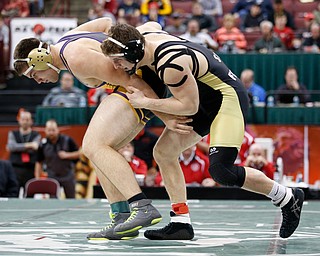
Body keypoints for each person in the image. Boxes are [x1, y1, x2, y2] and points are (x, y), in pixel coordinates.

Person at [101, 21, 304, 240]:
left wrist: (145, 102)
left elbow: (189, 106)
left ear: (133, 52)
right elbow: (152, 22)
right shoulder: (144, 34)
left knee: (222, 171)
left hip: (226, 98)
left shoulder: (171, 64)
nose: (116, 67)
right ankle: (181, 222)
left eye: (118, 62)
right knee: (164, 152)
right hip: (202, 96)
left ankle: (287, 197)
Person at [13, 17, 178, 240]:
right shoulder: (66, 42)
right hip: (136, 82)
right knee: (100, 151)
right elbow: (105, 22)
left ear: (40, 59)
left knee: (93, 145)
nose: (38, 81)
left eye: (34, 74)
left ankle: (141, 207)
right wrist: (114, 48)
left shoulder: (76, 57)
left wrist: (166, 115)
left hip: (142, 84)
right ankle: (121, 217)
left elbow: (134, 84)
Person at [34, 119, 80, 198]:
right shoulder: (42, 144)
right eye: (49, 130)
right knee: (53, 201)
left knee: (71, 199)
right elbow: (38, 162)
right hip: (52, 176)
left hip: (68, 175)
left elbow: (79, 153)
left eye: (53, 130)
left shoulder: (68, 140)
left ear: (57, 130)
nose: (51, 132)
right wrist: (38, 179)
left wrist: (67, 155)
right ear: (45, 130)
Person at [6, 110, 41, 189]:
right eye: (23, 119)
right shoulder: (12, 133)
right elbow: (11, 147)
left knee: (30, 195)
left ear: (31, 121)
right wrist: (29, 145)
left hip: (30, 169)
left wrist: (18, 147)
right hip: (15, 169)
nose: (25, 122)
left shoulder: (36, 135)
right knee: (13, 193)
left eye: (27, 120)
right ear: (19, 120)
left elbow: (36, 147)